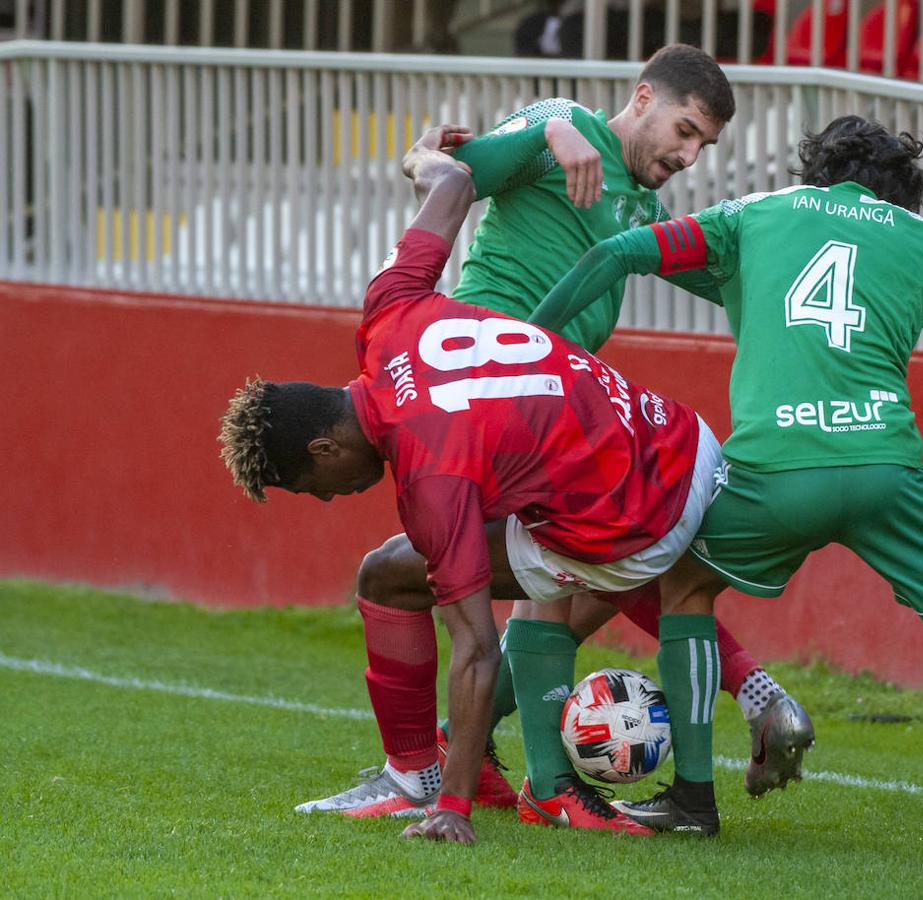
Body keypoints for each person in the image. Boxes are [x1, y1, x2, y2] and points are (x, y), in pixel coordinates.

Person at [529, 115, 923, 862]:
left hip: (774, 474)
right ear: (901, 194)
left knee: (682, 587)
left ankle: (691, 799)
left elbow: (620, 251)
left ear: (819, 170)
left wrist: (534, 341)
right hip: (885, 473)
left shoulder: (754, 215)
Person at [291, 44, 814, 822]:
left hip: (538, 429)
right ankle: (486, 777)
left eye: (703, 144)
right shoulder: (559, 125)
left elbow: (715, 267)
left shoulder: (638, 206)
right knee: (573, 568)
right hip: (476, 409)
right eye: (685, 129)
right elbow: (444, 168)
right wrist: (547, 129)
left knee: (579, 569)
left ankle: (483, 776)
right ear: (641, 98)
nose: (689, 154)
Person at [220, 124, 740, 842]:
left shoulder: (429, 477)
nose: (331, 496)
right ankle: (524, 779)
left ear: (324, 447)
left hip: (640, 521)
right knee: (501, 518)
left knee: (389, 575)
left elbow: (474, 649)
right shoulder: (386, 310)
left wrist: (452, 811)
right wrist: (422, 152)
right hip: (685, 440)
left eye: (314, 485)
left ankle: (426, 783)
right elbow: (453, 184)